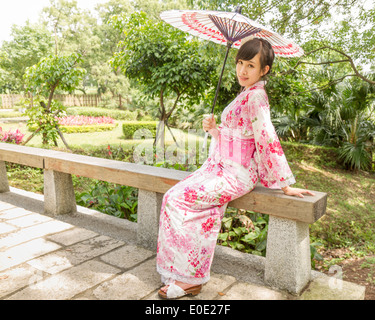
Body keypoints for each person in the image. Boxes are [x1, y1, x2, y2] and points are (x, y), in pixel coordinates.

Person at [156, 38, 315, 299]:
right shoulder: (246, 93)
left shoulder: (257, 97)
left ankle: (190, 279)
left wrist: (284, 184)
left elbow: (266, 139)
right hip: (221, 166)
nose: (242, 70)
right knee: (173, 197)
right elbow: (238, 137)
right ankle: (181, 271)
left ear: (264, 70)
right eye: (240, 63)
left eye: (250, 65)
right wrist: (215, 129)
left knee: (179, 199)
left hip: (237, 172)